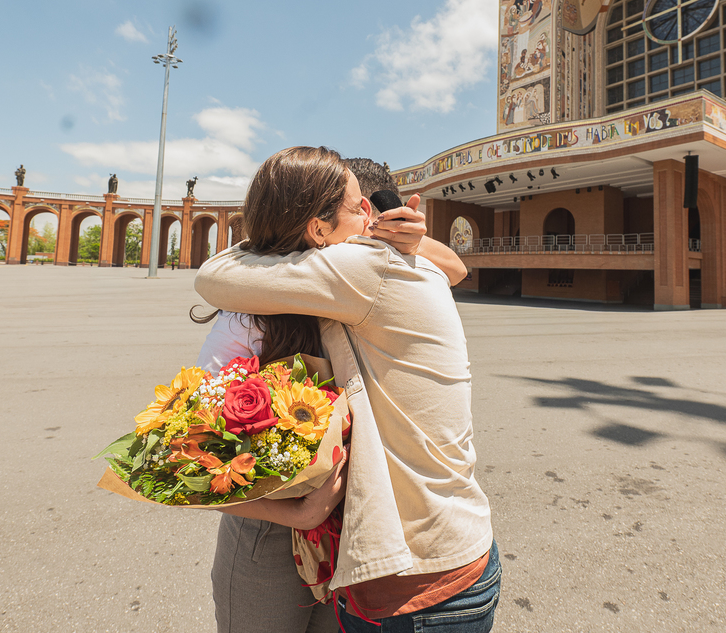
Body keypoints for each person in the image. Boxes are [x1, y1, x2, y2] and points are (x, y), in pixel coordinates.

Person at [195, 146, 499, 633]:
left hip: (366, 542)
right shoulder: (255, 310)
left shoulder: (361, 276)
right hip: (275, 533)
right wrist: (297, 513)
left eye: (372, 208)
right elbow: (190, 459)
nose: (371, 219)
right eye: (360, 207)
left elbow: (452, 265)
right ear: (317, 228)